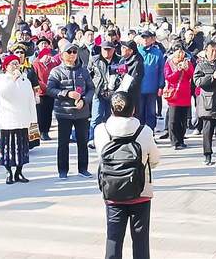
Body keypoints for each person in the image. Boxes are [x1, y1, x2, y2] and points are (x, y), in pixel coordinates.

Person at [94, 91, 160, 259]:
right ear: (134, 109)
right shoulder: (144, 131)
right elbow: (155, 160)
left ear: (111, 109)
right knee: (141, 239)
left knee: (114, 238)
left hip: (112, 191)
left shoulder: (101, 130)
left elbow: (101, 157)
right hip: (141, 191)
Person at [47, 42, 95, 179]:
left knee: (82, 142)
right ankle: (63, 170)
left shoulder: (83, 71)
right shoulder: (56, 71)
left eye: (75, 52)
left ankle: (83, 168)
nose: (73, 54)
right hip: (64, 112)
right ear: (62, 55)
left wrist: (84, 100)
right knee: (63, 143)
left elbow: (91, 89)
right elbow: (50, 90)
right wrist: (66, 94)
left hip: (82, 112)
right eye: (69, 52)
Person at [0, 54, 37, 184]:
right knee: (8, 148)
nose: (15, 66)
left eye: (17, 63)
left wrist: (33, 119)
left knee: (21, 149)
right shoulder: (2, 80)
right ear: (6, 67)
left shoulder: (25, 80)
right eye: (12, 64)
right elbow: (5, 94)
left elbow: (31, 100)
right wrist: (13, 79)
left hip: (23, 119)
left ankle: (19, 172)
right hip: (8, 120)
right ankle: (8, 172)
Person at [164, 44, 194, 150]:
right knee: (173, 120)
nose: (180, 56)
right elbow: (169, 77)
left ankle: (181, 140)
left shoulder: (188, 62)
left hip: (185, 94)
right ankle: (174, 141)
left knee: (183, 120)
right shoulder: (169, 63)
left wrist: (186, 69)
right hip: (174, 95)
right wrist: (178, 70)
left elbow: (192, 75)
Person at [88, 41, 116, 147]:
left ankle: (110, 139)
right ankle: (92, 139)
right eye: (105, 49)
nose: (107, 52)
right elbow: (88, 74)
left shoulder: (119, 60)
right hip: (98, 91)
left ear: (113, 49)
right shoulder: (95, 60)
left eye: (109, 49)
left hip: (113, 93)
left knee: (110, 117)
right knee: (96, 117)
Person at [137, 31, 165, 130]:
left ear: (151, 39)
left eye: (147, 38)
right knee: (139, 113)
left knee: (151, 113)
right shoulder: (137, 51)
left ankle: (150, 134)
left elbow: (162, 70)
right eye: (143, 38)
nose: (145, 40)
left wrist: (161, 86)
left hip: (152, 89)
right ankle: (139, 134)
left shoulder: (157, 53)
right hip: (138, 89)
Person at [33, 47, 59, 141]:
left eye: (49, 56)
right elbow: (35, 79)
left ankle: (46, 132)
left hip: (50, 92)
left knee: (48, 113)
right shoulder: (36, 64)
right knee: (40, 114)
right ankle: (40, 131)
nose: (48, 57)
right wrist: (44, 86)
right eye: (46, 56)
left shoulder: (53, 64)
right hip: (40, 93)